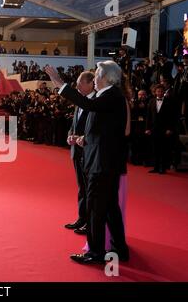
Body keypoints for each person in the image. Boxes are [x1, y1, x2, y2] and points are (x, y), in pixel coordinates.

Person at [45, 61, 129, 264]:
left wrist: (59, 82)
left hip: (102, 164)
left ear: (106, 77)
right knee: (109, 208)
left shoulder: (111, 95)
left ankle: (96, 252)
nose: (95, 77)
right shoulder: (110, 96)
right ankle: (120, 249)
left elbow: (88, 105)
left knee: (95, 210)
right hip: (103, 161)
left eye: (98, 73)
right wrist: (85, 139)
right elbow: (104, 130)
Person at [65, 71, 96, 235]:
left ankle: (89, 223)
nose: (77, 87)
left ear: (91, 83)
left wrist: (82, 138)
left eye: (80, 84)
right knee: (81, 187)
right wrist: (70, 135)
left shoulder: (96, 102)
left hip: (89, 152)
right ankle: (81, 218)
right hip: (76, 151)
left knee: (89, 189)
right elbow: (74, 123)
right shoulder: (80, 102)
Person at [145, 84, 177, 174]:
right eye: (158, 91)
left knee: (164, 149)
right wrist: (147, 128)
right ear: (155, 92)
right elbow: (148, 116)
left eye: (161, 91)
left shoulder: (169, 102)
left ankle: (162, 168)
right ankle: (155, 167)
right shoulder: (151, 101)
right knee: (155, 149)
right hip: (154, 129)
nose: (159, 93)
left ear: (164, 92)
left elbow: (172, 117)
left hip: (164, 129)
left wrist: (170, 128)